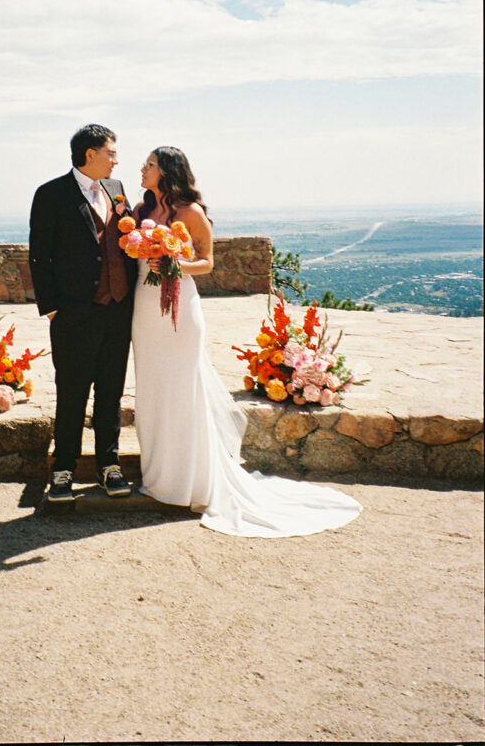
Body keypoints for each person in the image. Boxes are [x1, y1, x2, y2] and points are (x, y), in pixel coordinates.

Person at [131, 146, 362, 537]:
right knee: (152, 389)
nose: (143, 168)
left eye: (150, 165)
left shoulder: (191, 213)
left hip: (179, 310)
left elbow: (207, 262)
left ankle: (190, 481)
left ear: (168, 172)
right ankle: (159, 474)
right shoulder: (140, 213)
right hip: (145, 308)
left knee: (182, 389)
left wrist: (174, 263)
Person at [29, 124, 138, 502]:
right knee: (72, 393)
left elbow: (128, 244)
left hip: (117, 311)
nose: (116, 159)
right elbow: (39, 256)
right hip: (74, 314)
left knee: (111, 393)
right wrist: (54, 309)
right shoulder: (50, 194)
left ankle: (110, 465)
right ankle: (63, 469)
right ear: (89, 153)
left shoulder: (117, 189)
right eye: (110, 152)